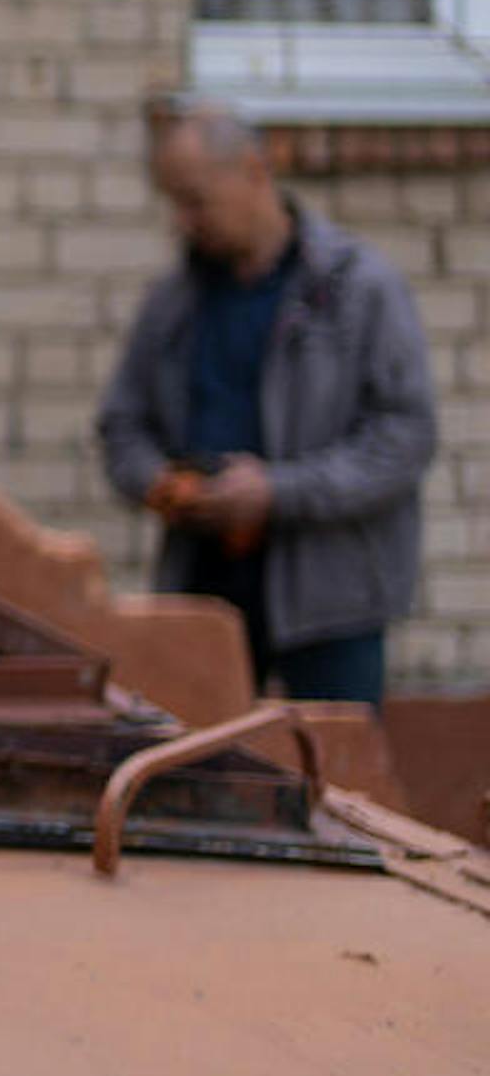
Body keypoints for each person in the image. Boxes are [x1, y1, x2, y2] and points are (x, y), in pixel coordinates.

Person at [95, 97, 439, 705]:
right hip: (203, 594)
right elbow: (122, 426)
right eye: (173, 202)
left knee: (335, 778)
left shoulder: (357, 288)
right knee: (205, 777)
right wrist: (160, 483)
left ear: (254, 171)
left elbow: (404, 436)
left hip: (331, 602)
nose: (183, 220)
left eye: (196, 199)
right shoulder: (174, 301)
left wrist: (277, 492)